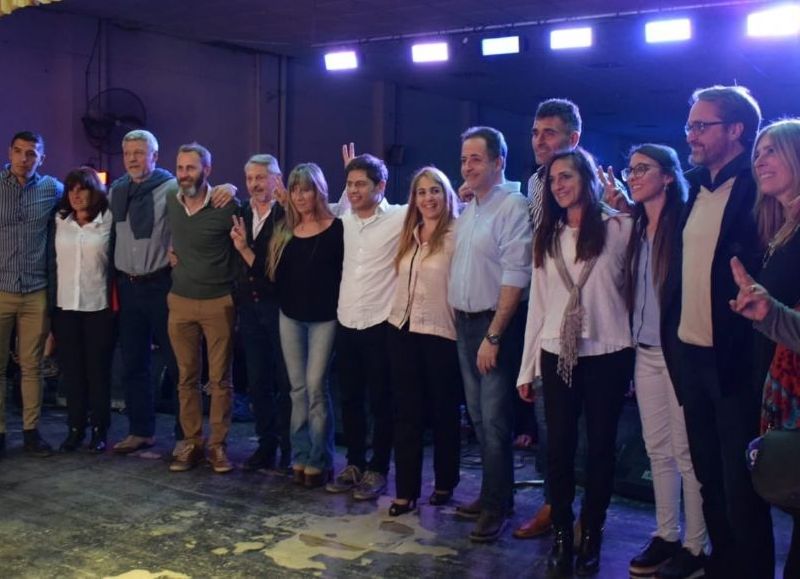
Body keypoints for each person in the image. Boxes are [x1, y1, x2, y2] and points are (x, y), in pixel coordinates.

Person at [660, 85, 774, 579]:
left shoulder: (758, 190)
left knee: (740, 486)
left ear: (735, 131)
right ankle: (722, 565)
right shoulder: (690, 187)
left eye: (701, 126)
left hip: (735, 362)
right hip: (690, 357)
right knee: (706, 478)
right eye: (689, 126)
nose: (692, 135)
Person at [518, 148, 633, 577]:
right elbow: (540, 306)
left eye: (566, 176)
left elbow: (634, 292)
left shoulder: (620, 228)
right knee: (559, 448)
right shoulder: (548, 235)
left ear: (586, 177)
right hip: (556, 354)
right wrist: (526, 367)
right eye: (553, 180)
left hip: (609, 351)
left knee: (600, 449)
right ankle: (564, 533)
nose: (559, 185)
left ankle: (594, 530)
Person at [110, 130, 234, 455]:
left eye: (140, 152)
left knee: (181, 365)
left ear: (155, 155)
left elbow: (206, 191)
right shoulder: (117, 191)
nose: (134, 159)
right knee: (134, 363)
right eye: (128, 153)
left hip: (162, 284)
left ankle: (186, 437)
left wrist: (228, 187)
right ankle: (140, 431)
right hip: (128, 285)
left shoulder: (169, 187)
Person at [614, 145, 707, 579]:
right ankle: (666, 534)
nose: (633, 176)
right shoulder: (633, 227)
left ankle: (695, 545)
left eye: (643, 169)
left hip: (680, 353)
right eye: (631, 169)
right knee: (657, 450)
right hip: (645, 352)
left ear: (668, 176)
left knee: (687, 453)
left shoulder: (685, 222)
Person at [449, 126, 531, 543]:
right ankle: (491, 494)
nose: (467, 166)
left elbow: (516, 274)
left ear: (499, 162)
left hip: (491, 325)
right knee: (478, 418)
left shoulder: (512, 206)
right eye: (464, 159)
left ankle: (498, 507)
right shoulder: (472, 207)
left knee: (496, 421)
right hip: (464, 323)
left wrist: (494, 335)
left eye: (476, 159)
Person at [326, 151, 405, 501]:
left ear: (381, 186)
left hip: (379, 323)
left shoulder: (401, 217)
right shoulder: (343, 218)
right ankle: (354, 463)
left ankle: (378, 468)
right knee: (350, 398)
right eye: (350, 184)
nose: (354, 191)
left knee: (381, 400)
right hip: (346, 320)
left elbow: (447, 212)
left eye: (361, 184)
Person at [386, 166, 462, 516]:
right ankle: (405, 491)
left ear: (446, 195)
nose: (428, 198)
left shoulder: (457, 235)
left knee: (444, 413)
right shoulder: (408, 235)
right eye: (421, 192)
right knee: (406, 414)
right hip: (401, 328)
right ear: (413, 199)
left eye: (435, 191)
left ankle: (445, 482)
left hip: (440, 333)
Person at [165, 142, 239, 474]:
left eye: (191, 168)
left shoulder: (227, 203)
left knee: (220, 380)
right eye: (180, 168)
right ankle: (191, 443)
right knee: (185, 377)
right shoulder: (171, 199)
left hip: (218, 302)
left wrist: (233, 185)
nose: (184, 174)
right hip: (179, 300)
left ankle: (218, 446)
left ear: (207, 170)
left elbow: (245, 244)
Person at [268, 163, 343, 488]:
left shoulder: (337, 228)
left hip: (325, 319)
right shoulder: (284, 229)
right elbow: (271, 274)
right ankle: (300, 456)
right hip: (291, 318)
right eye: (295, 190)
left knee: (315, 388)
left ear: (319, 191)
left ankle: (320, 459)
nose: (300, 196)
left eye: (306, 189)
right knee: (297, 390)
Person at [0, 131, 63, 458]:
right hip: (1, 289)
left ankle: (30, 432)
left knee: (32, 366)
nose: (25, 158)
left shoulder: (53, 189)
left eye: (32, 153)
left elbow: (89, 201)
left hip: (35, 291)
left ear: (42, 157)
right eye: (19, 152)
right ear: (9, 152)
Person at [230, 154, 291, 471]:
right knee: (257, 381)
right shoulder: (240, 211)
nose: (254, 184)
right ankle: (266, 444)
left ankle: (289, 447)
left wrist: (244, 250)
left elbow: (276, 270)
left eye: (261, 177)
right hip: (249, 309)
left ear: (276, 179)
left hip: (280, 308)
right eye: (250, 178)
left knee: (285, 380)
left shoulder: (289, 214)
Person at [52, 167, 115, 453]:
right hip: (65, 308)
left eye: (83, 189)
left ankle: (100, 431)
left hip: (98, 308)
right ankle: (75, 429)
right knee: (73, 373)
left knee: (98, 372)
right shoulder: (59, 220)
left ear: (94, 192)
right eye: (72, 189)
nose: (76, 195)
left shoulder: (108, 221)